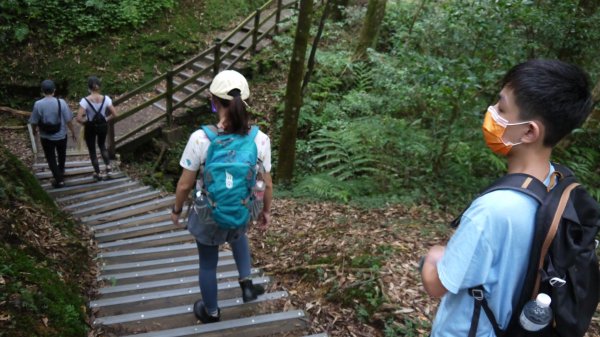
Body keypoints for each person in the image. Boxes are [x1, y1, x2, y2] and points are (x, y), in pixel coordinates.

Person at [421, 59, 593, 336]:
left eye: (501, 108)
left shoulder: (493, 210)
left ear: (529, 131)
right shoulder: (556, 185)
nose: (492, 114)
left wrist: (432, 258)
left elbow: (437, 284)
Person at [171, 70, 272, 323]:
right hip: (241, 208)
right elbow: (266, 184)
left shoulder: (200, 138)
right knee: (238, 235)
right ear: (245, 102)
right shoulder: (260, 139)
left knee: (208, 263)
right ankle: (246, 284)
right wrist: (265, 211)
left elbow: (184, 185)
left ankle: (212, 311)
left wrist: (176, 210)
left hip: (208, 214)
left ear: (213, 101)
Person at [29, 79, 76, 188]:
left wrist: (33, 131)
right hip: (61, 135)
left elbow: (34, 121)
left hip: (46, 137)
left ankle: (59, 180)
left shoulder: (38, 104)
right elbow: (68, 119)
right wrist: (73, 131)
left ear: (42, 91)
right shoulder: (61, 102)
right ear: (54, 90)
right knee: (62, 155)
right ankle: (61, 172)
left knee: (50, 158)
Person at [76, 76, 117, 181]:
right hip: (103, 126)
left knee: (92, 150)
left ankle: (98, 173)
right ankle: (108, 168)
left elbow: (79, 118)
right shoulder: (106, 99)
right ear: (99, 87)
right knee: (102, 145)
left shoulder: (85, 101)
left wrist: (86, 122)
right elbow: (114, 114)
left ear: (89, 87)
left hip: (90, 127)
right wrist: (105, 119)